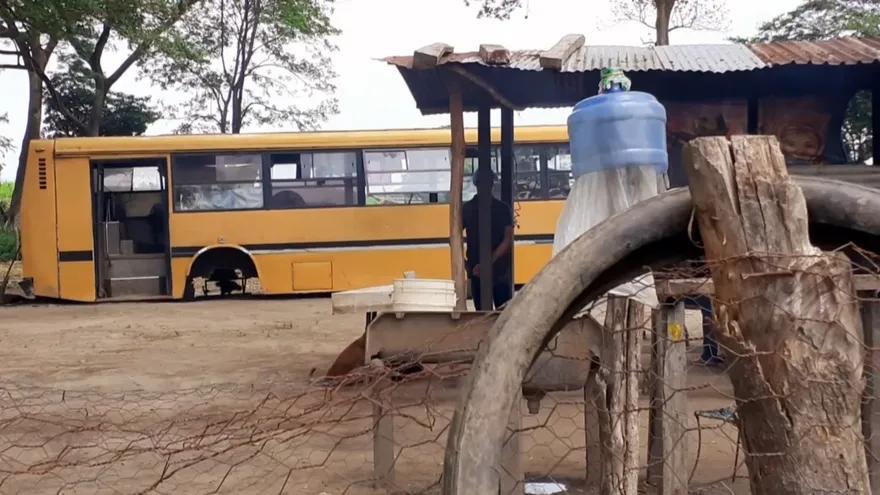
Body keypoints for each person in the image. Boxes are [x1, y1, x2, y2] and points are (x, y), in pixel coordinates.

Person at [462, 172, 515, 311]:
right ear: (492, 184)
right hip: (499, 270)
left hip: (477, 269)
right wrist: (487, 263)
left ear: (475, 184)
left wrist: (466, 264)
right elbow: (508, 240)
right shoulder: (503, 208)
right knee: (503, 314)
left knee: (482, 315)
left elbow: (455, 238)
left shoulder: (467, 208)